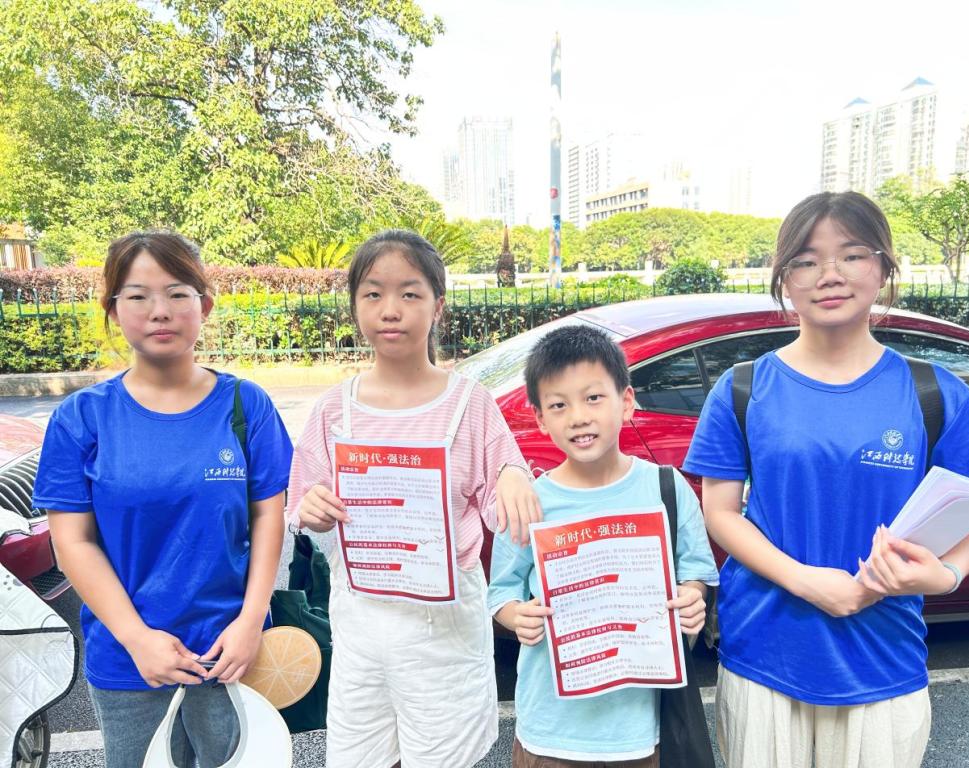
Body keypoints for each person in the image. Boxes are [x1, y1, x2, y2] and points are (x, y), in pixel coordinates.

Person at [682, 191, 969, 768]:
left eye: (853, 254)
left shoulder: (936, 393)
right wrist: (810, 583)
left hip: (884, 656)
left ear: (883, 268)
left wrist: (944, 576)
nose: (829, 274)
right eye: (806, 260)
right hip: (765, 654)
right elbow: (722, 513)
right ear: (784, 279)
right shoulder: (742, 388)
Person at [32, 231, 293, 768]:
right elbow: (73, 543)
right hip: (129, 660)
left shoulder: (246, 405)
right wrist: (137, 639)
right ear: (112, 309)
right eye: (137, 296)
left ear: (205, 305)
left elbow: (269, 515)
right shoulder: (82, 418)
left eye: (177, 293)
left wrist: (250, 622)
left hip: (231, 653)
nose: (160, 311)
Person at [287, 229, 541, 768]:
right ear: (355, 306)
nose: (390, 309)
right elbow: (302, 503)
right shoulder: (335, 410)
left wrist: (514, 477)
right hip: (362, 629)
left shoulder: (469, 404)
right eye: (373, 293)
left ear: (437, 306)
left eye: (409, 293)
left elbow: (503, 500)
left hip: (443, 632)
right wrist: (310, 510)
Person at [488, 323, 719, 767]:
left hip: (638, 731)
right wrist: (517, 616)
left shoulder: (665, 487)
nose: (578, 416)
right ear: (540, 418)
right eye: (559, 405)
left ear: (626, 401)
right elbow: (500, 591)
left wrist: (692, 598)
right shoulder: (531, 500)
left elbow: (696, 572)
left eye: (593, 397)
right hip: (551, 731)